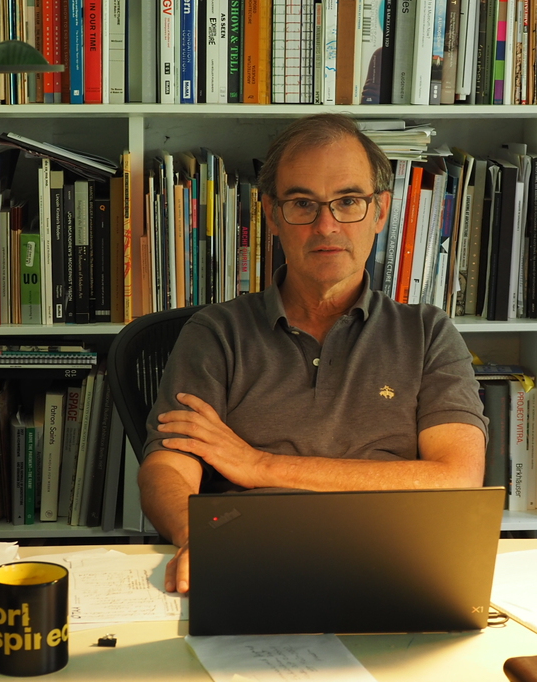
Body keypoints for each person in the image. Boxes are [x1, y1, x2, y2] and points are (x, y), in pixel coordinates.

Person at [138, 114, 488, 595]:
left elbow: (458, 479)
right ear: (272, 214)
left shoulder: (428, 333)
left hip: (396, 566)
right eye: (303, 203)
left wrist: (260, 466)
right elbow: (167, 467)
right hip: (246, 559)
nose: (327, 226)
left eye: (348, 201)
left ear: (380, 212)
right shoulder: (216, 333)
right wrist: (193, 535)